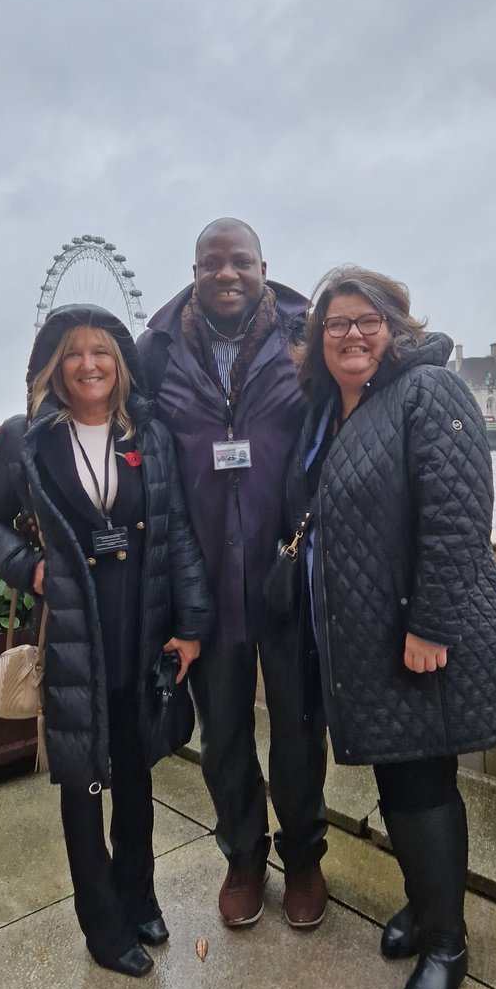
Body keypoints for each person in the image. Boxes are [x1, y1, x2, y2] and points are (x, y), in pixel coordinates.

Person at [285, 267, 496, 989]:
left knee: (423, 787)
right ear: (318, 342)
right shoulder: (336, 411)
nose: (351, 335)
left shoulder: (427, 393)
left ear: (396, 326)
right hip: (367, 642)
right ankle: (424, 909)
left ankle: (447, 946)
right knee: (398, 782)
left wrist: (431, 628)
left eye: (366, 320)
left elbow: (456, 519)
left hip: (416, 638)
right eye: (335, 325)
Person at [0, 304, 211, 978]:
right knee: (83, 781)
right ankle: (102, 924)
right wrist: (29, 566)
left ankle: (140, 895)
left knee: (135, 774)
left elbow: (179, 532)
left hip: (142, 625)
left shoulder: (150, 435)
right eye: (73, 353)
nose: (89, 365)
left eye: (101, 351)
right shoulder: (27, 438)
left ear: (121, 363)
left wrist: (189, 628)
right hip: (77, 631)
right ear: (54, 365)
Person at [137, 218, 329, 929]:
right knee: (222, 736)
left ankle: (304, 856)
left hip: (286, 574)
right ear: (193, 271)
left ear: (263, 267)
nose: (227, 274)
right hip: (205, 579)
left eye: (240, 262)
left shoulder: (304, 338)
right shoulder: (155, 353)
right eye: (212, 263)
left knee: (301, 727)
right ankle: (243, 857)